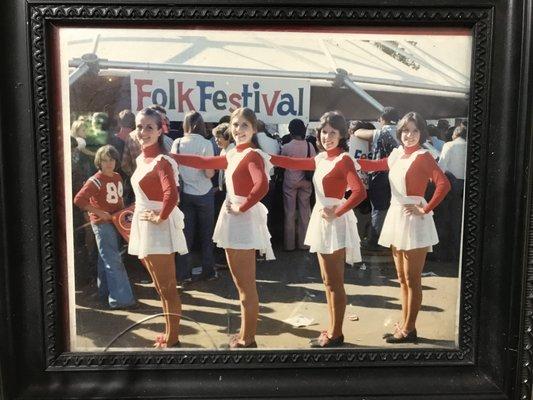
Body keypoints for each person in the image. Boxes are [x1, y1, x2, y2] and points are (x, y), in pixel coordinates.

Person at [172, 107, 273, 349]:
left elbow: (262, 186)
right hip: (233, 221)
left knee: (246, 285)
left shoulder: (252, 155)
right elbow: (204, 162)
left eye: (244, 125)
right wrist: (173, 157)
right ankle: (244, 334)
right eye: (235, 125)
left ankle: (248, 339)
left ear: (254, 129)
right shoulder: (232, 153)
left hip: (241, 223)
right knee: (241, 284)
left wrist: (242, 206)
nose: (238, 130)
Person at [270, 111, 366, 348]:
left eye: (333, 133)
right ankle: (333, 329)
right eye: (324, 132)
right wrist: (264, 156)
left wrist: (338, 211)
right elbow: (293, 163)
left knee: (334, 282)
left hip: (334, 222)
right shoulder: (321, 158)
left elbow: (359, 191)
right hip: (322, 220)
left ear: (342, 135)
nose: (327, 137)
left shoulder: (344, 160)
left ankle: (336, 334)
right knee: (327, 281)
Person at [358, 111, 451, 343]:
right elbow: (378, 164)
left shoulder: (424, 156)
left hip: (414, 220)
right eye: (406, 131)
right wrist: (353, 161)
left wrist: (425, 208)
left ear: (422, 133)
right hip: (397, 216)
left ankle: (409, 329)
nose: (410, 135)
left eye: (415, 130)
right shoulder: (398, 154)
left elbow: (444, 184)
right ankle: (406, 323)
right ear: (399, 132)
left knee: (412, 279)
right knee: (401, 277)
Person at [128, 107, 188, 348]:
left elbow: (171, 195)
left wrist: (160, 217)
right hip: (146, 227)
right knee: (160, 287)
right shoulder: (141, 158)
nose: (143, 132)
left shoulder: (163, 161)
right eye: (140, 126)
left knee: (167, 287)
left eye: (149, 127)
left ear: (160, 130)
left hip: (158, 229)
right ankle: (168, 332)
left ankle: (173, 340)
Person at [73, 145, 136, 310]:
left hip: (115, 223)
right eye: (104, 160)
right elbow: (79, 199)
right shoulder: (95, 179)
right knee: (114, 260)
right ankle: (121, 300)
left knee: (105, 259)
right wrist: (99, 212)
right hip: (102, 225)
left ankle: (104, 294)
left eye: (112, 160)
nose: (109, 163)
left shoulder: (116, 177)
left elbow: (119, 200)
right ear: (99, 162)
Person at [171, 111, 217, 282]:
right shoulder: (206, 143)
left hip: (185, 193)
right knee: (206, 235)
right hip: (204, 193)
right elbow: (209, 173)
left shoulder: (177, 143)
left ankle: (183, 274)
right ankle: (208, 271)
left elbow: (173, 169)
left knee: (185, 236)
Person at [355, 107, 399, 249]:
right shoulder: (403, 133)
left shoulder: (380, 133)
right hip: (398, 175)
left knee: (379, 208)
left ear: (382, 119)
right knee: (395, 207)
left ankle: (375, 241)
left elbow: (358, 133)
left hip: (380, 174)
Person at [279, 118, 316, 251]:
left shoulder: (287, 147)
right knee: (305, 212)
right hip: (306, 182)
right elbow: (313, 162)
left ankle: (289, 245)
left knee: (289, 213)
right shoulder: (309, 146)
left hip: (290, 181)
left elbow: (281, 163)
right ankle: (304, 243)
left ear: (290, 130)